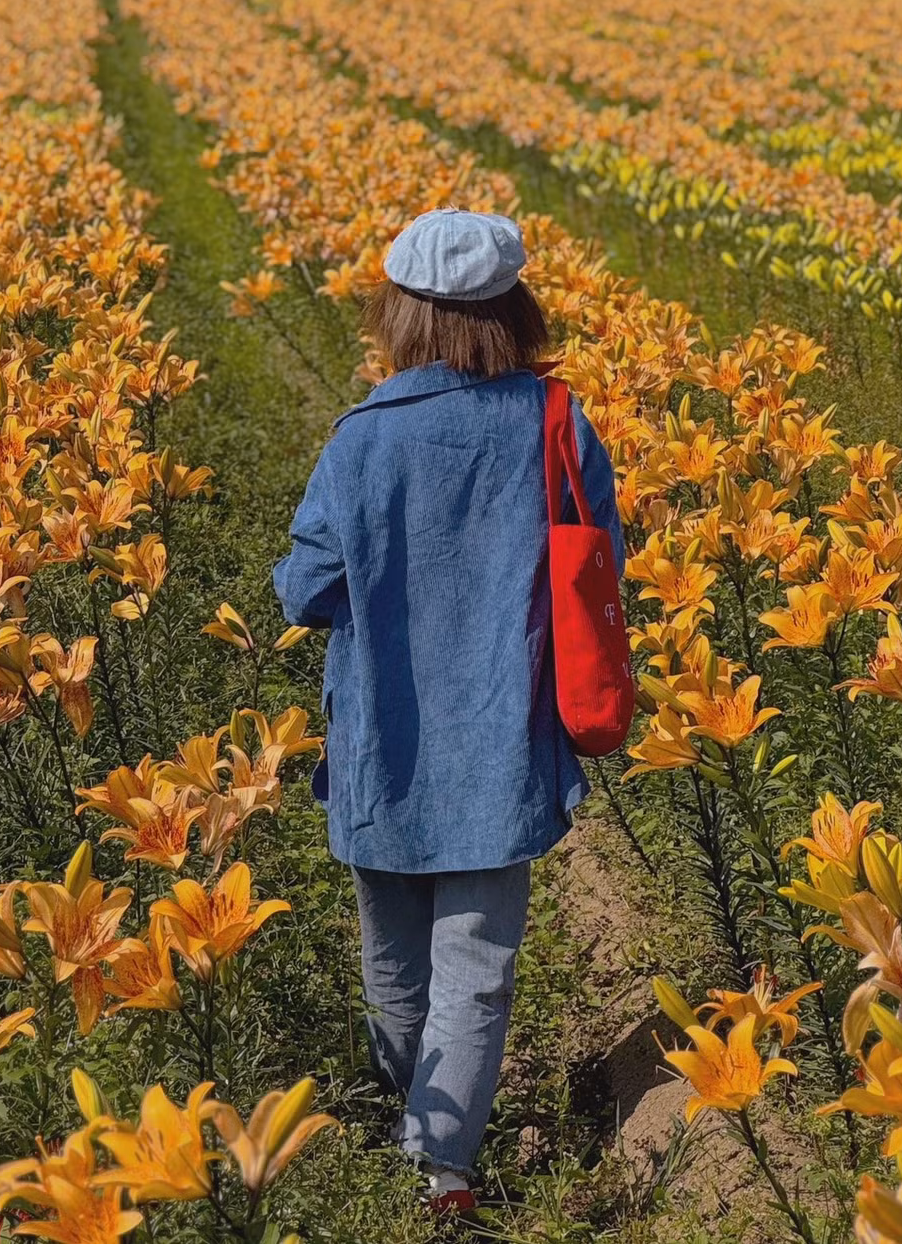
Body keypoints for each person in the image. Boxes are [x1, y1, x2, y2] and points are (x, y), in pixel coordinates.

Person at [273, 208, 624, 1214]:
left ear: (401, 314)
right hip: (506, 731)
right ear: (515, 309)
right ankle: (447, 1175)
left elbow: (303, 592)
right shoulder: (555, 421)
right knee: (476, 968)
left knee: (396, 967)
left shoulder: (363, 438)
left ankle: (417, 1127)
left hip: (384, 743)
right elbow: (603, 563)